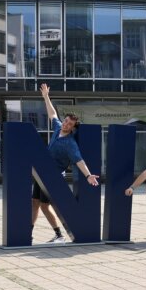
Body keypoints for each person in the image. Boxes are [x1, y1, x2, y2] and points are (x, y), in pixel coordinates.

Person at [33, 83, 100, 242]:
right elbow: (52, 114)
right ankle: (28, 233)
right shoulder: (57, 128)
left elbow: (79, 161)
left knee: (46, 206)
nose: (66, 124)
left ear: (72, 128)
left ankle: (59, 234)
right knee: (35, 202)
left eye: (69, 124)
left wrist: (88, 175)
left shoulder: (70, 143)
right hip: (43, 172)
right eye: (66, 121)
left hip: (53, 177)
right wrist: (46, 97)